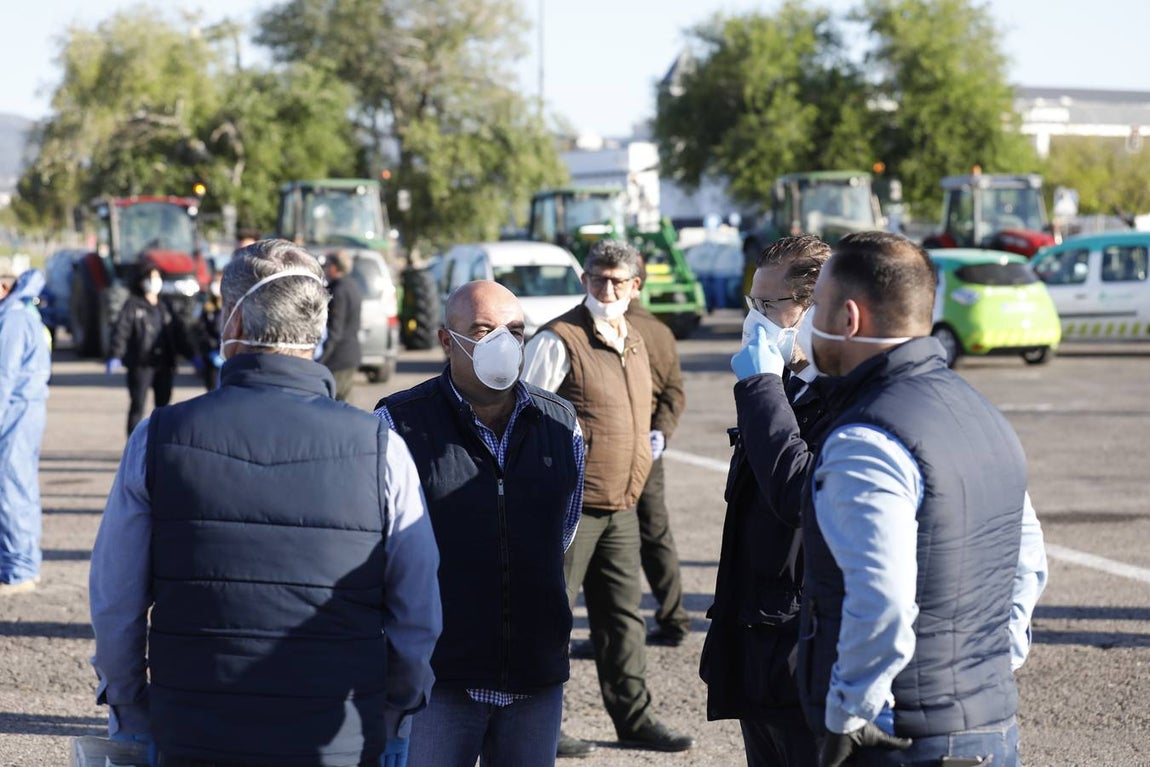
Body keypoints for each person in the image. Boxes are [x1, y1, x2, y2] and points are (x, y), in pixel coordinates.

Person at [89, 239, 442, 767]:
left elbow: (115, 602)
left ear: (232, 324)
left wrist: (129, 706)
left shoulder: (157, 437)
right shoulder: (379, 447)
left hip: (192, 732)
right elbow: (418, 611)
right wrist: (395, 710)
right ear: (318, 330)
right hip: (337, 737)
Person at [793, 231, 1048, 767]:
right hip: (989, 724)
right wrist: (983, 672)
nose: (805, 324)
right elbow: (1026, 565)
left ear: (848, 320)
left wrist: (848, 713)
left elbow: (881, 597)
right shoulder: (983, 415)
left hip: (899, 737)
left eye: (815, 307)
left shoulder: (867, 437)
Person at [376, 280, 584, 767]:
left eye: (515, 331)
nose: (503, 345)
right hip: (440, 679)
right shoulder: (398, 423)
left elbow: (563, 530)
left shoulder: (560, 423)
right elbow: (383, 551)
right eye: (484, 330)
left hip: (534, 675)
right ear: (448, 341)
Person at [523, 239, 694, 757]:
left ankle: (634, 718)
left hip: (622, 502)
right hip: (571, 507)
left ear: (636, 286)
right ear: (585, 281)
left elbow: (652, 407)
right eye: (599, 278)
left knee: (622, 619)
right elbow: (525, 415)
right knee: (551, 617)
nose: (608, 288)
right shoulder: (559, 339)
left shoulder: (637, 339)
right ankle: (540, 725)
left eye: (619, 280)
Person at [699, 235, 832, 767]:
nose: (755, 318)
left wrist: (761, 387)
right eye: (752, 302)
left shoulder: (844, 401)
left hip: (803, 657)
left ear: (812, 309)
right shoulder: (789, 388)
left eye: (769, 305)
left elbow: (795, 491)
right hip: (761, 655)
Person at [624, 263, 690, 647]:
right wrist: (659, 434)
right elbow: (674, 393)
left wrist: (656, 435)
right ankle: (674, 617)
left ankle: (618, 629)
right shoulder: (661, 330)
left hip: (622, 450)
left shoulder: (647, 330)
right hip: (648, 446)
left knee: (611, 540)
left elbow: (671, 391)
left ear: (634, 285)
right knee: (654, 533)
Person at [0, 267, 51, 596]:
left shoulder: (13, 319)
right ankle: (23, 564)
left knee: (11, 489)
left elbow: (2, 375)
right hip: (24, 411)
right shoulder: (21, 313)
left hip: (15, 413)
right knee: (20, 487)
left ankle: (19, 571)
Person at [106, 265, 195, 437]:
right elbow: (121, 331)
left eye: (157, 278)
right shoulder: (133, 305)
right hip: (141, 364)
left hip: (164, 364)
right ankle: (133, 443)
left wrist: (192, 355)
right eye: (150, 278)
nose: (154, 282)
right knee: (138, 404)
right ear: (141, 281)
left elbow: (179, 333)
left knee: (163, 407)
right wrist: (115, 354)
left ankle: (158, 442)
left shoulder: (165, 306)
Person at [319, 249, 363, 402]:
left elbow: (335, 331)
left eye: (327, 264)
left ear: (334, 267)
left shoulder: (339, 290)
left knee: (334, 404)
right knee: (345, 406)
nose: (324, 268)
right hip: (349, 355)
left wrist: (321, 359)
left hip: (339, 358)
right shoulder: (352, 285)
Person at [194, 271, 224, 391]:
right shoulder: (207, 308)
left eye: (219, 281)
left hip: (228, 356)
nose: (216, 285)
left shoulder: (232, 306)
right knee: (212, 389)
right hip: (211, 356)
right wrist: (211, 346)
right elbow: (200, 330)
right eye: (215, 282)